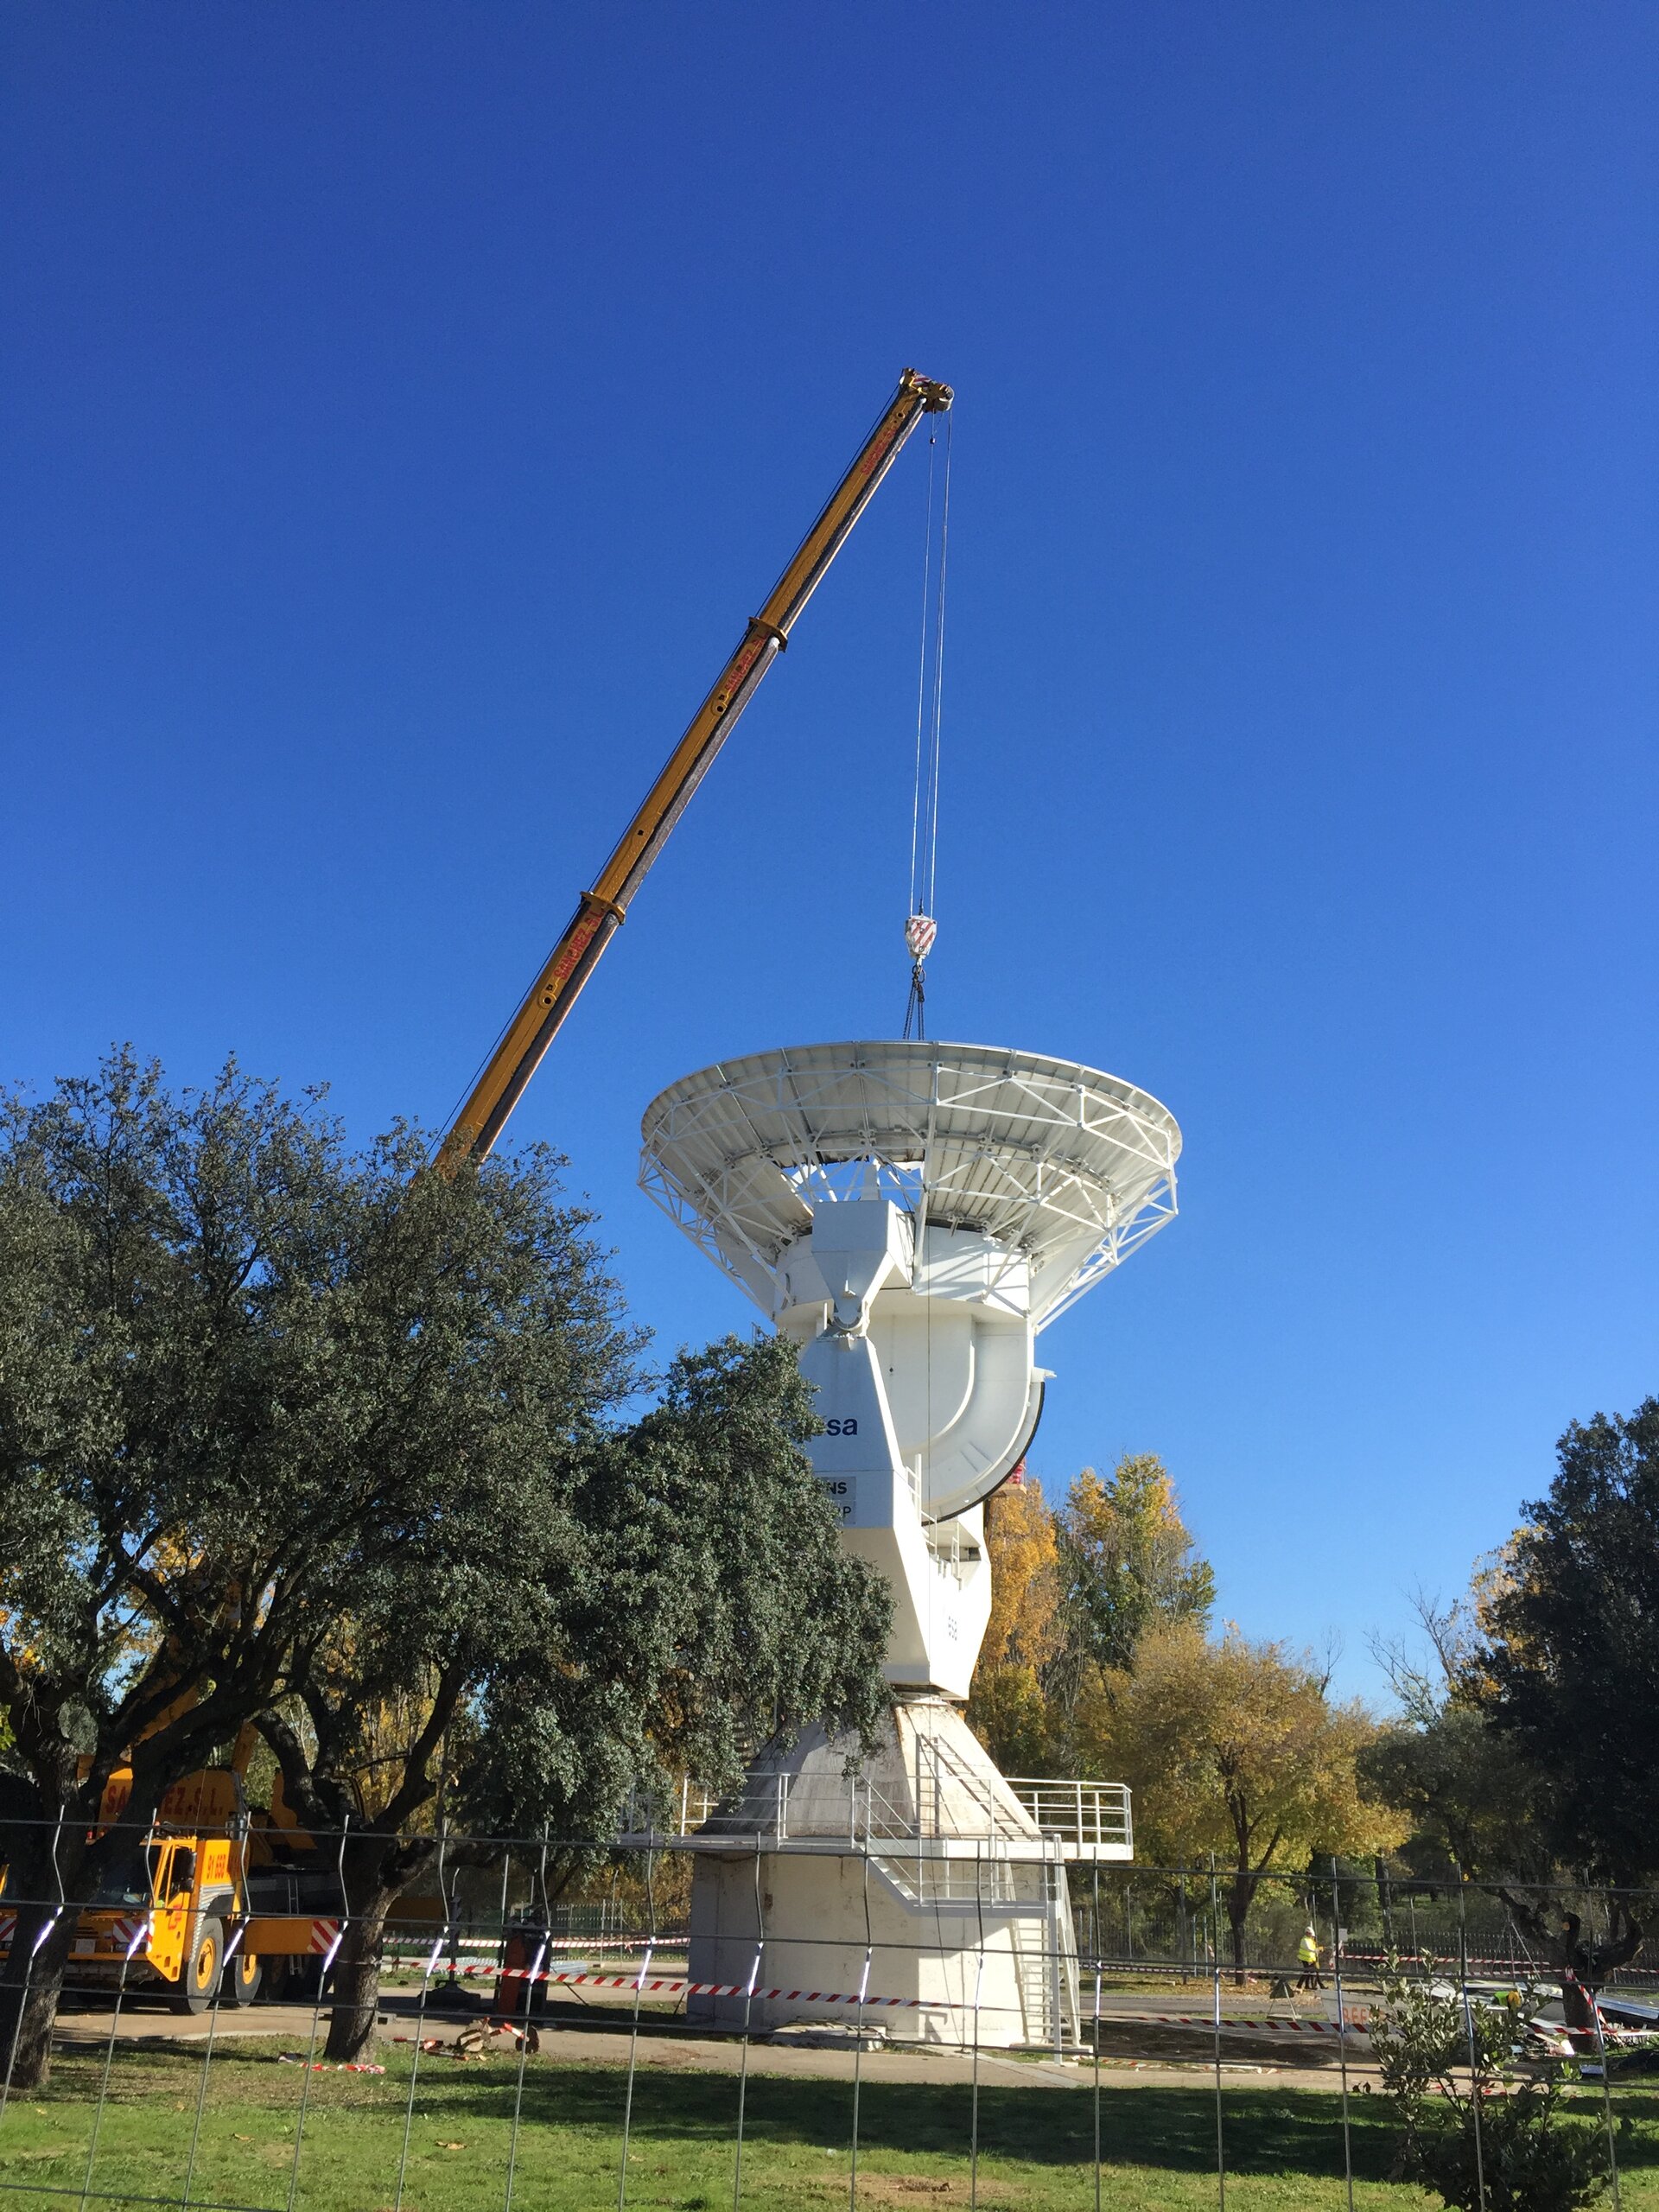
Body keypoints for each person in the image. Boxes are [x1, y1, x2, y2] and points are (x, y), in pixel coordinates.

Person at [1296, 1923, 1324, 1993]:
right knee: (1307, 1972)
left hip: (1310, 1959)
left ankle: (1306, 1986)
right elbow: (1309, 1949)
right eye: (1311, 1934)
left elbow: (1313, 1948)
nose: (1312, 1936)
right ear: (1307, 1933)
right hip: (1305, 1958)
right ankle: (1299, 1985)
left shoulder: (1309, 1940)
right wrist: (1316, 1950)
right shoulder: (1304, 1940)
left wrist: (1318, 1949)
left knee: (1308, 1972)